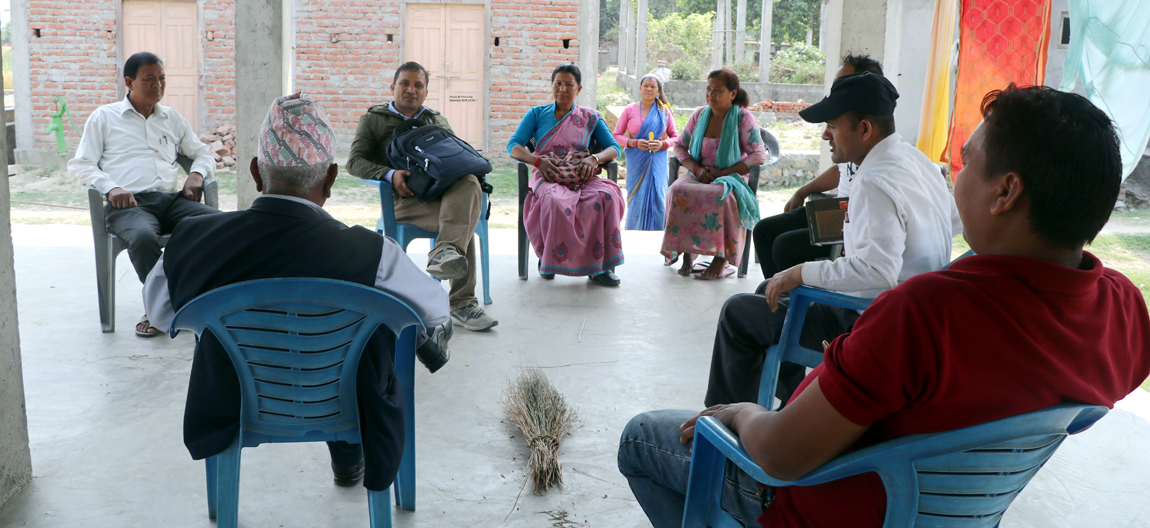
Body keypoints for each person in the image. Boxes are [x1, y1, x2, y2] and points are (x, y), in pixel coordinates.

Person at [618, 84, 1150, 528]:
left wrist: (742, 411)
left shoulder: (925, 314)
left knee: (642, 438)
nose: (956, 177)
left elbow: (780, 456)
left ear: (1005, 192)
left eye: (967, 163)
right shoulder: (1123, 309)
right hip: (945, 508)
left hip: (822, 502)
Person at [143, 93, 453, 491]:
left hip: (234, 402)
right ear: (330, 179)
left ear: (256, 174)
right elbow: (435, 309)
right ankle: (349, 454)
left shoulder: (193, 240)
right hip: (344, 405)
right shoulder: (374, 254)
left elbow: (159, 313)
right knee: (371, 336)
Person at [705, 72, 962, 407]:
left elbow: (876, 272)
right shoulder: (918, 161)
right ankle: (791, 401)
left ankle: (723, 421)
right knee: (768, 291)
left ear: (865, 129)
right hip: (914, 314)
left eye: (832, 126)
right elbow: (952, 221)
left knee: (738, 312)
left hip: (872, 323)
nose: (826, 135)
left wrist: (800, 272)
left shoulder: (873, 179)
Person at [69, 51, 217, 337]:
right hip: (129, 206)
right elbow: (81, 164)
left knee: (219, 225)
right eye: (149, 79)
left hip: (172, 202)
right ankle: (159, 307)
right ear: (129, 82)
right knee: (143, 238)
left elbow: (202, 153)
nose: (157, 85)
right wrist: (111, 187)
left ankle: (199, 299)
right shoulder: (104, 117)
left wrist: (196, 175)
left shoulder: (171, 117)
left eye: (162, 78)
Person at [346, 61, 497, 332]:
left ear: (426, 92)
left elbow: (457, 161)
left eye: (418, 85)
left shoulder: (436, 120)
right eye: (404, 83)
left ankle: (446, 257)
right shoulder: (374, 119)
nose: (411, 90)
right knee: (460, 219)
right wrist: (390, 174)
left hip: (441, 195)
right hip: (403, 201)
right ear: (393, 87)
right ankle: (462, 302)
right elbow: (355, 162)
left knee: (469, 185)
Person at [753, 54, 884, 278]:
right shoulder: (848, 133)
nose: (826, 135)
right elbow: (840, 171)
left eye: (841, 85)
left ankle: (789, 294)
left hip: (851, 218)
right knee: (764, 230)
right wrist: (802, 191)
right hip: (836, 208)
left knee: (785, 245)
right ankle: (774, 291)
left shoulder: (869, 138)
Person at [508, 64, 624, 286]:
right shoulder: (536, 114)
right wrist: (537, 161)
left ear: (578, 89)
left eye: (569, 84)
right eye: (558, 83)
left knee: (607, 195)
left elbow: (613, 148)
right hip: (548, 175)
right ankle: (549, 259)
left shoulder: (590, 117)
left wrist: (594, 159)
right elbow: (514, 146)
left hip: (582, 175)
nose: (562, 89)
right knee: (554, 201)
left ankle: (601, 267)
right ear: (551, 86)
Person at [662, 69, 767, 279]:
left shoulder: (742, 118)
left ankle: (721, 259)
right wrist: (697, 169)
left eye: (718, 90)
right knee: (678, 190)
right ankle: (688, 251)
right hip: (699, 173)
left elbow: (758, 154)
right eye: (708, 89)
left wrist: (723, 172)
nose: (711, 94)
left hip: (731, 176)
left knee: (722, 196)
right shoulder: (699, 115)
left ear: (733, 94)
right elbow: (680, 146)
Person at [612, 74, 679, 231]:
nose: (649, 89)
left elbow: (676, 137)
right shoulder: (630, 109)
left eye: (653, 86)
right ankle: (634, 234)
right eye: (646, 85)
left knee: (659, 199)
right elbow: (616, 135)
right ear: (640, 88)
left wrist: (662, 144)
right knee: (636, 200)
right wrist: (634, 143)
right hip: (636, 162)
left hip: (658, 161)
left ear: (658, 90)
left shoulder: (664, 112)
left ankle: (658, 237)